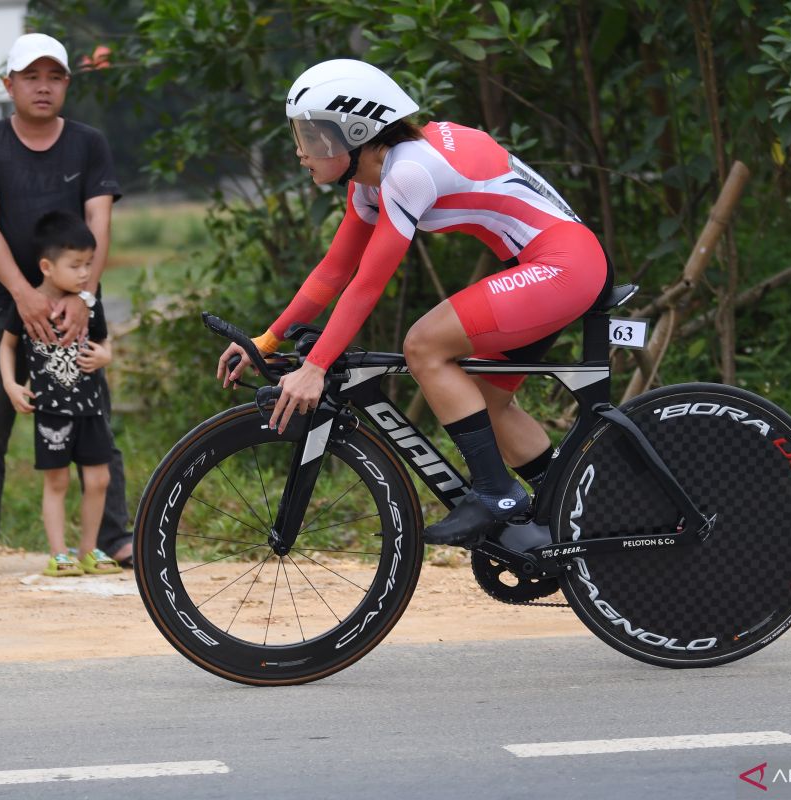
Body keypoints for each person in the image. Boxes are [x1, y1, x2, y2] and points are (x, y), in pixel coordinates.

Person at [217, 59, 611, 549]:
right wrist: (269, 338)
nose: (300, 151)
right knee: (486, 401)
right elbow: (334, 271)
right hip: (549, 263)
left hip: (564, 265)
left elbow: (366, 285)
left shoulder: (408, 172)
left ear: (354, 132)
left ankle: (495, 493)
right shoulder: (372, 178)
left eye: (311, 137)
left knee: (424, 345)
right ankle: (572, 508)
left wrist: (315, 367)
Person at [0, 32, 130, 578]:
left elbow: (99, 223)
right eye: (31, 77)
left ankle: (115, 539)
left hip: (77, 307)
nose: (42, 87)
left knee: (96, 422)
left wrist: (84, 298)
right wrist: (24, 296)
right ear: (9, 85)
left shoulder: (88, 143)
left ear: (67, 83)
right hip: (4, 304)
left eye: (53, 77)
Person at [0, 212, 122, 576]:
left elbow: (103, 340)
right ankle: (58, 553)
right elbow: (5, 346)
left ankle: (89, 550)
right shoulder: (28, 305)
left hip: (91, 407)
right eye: (76, 265)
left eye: (89, 264)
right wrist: (10, 383)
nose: (86, 273)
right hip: (51, 410)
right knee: (58, 480)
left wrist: (106, 355)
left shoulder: (89, 304)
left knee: (99, 478)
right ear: (47, 266)